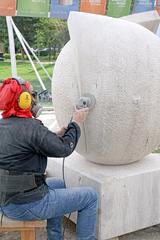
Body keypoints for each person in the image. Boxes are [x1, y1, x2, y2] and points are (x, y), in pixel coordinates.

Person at [0, 77, 98, 240]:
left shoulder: (4, 125)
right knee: (90, 196)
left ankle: (55, 237)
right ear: (24, 101)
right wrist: (76, 122)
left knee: (59, 184)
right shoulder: (32, 128)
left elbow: (24, 142)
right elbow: (65, 149)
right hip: (25, 205)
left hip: (7, 200)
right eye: (32, 95)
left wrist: (55, 135)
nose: (34, 99)